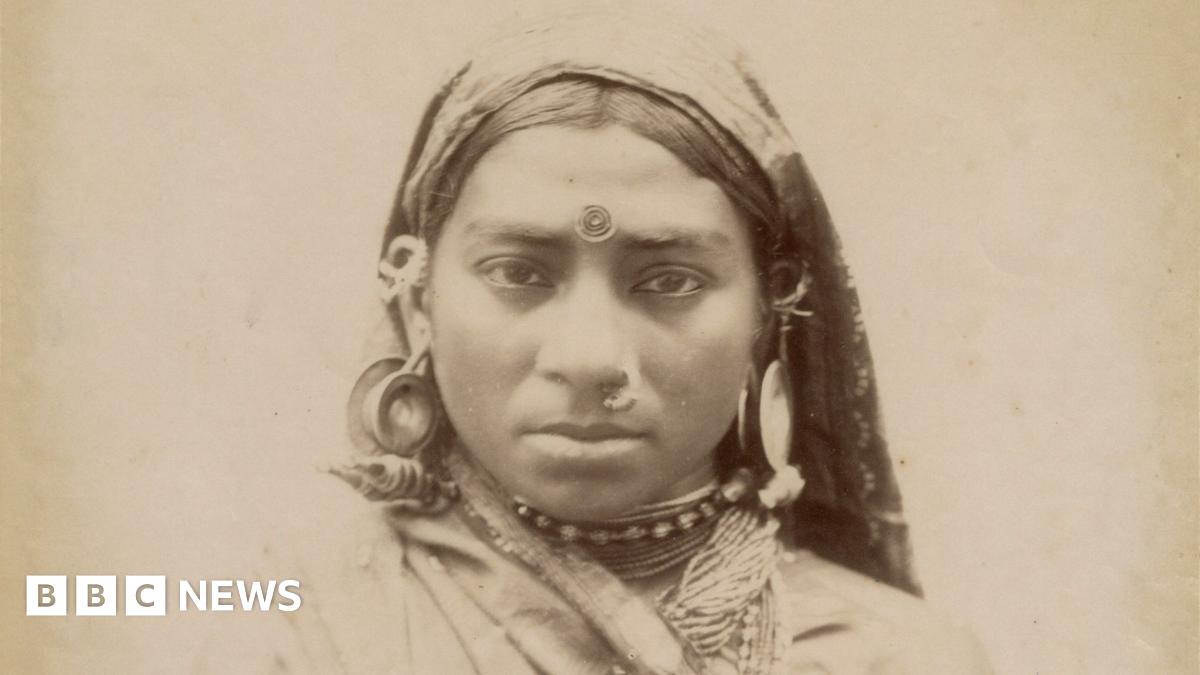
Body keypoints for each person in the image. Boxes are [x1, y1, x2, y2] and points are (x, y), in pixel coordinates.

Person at [204, 9, 990, 674]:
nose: (587, 359)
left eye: (670, 281)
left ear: (769, 313)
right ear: (417, 302)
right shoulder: (294, 627)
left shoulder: (896, 658)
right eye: (518, 271)